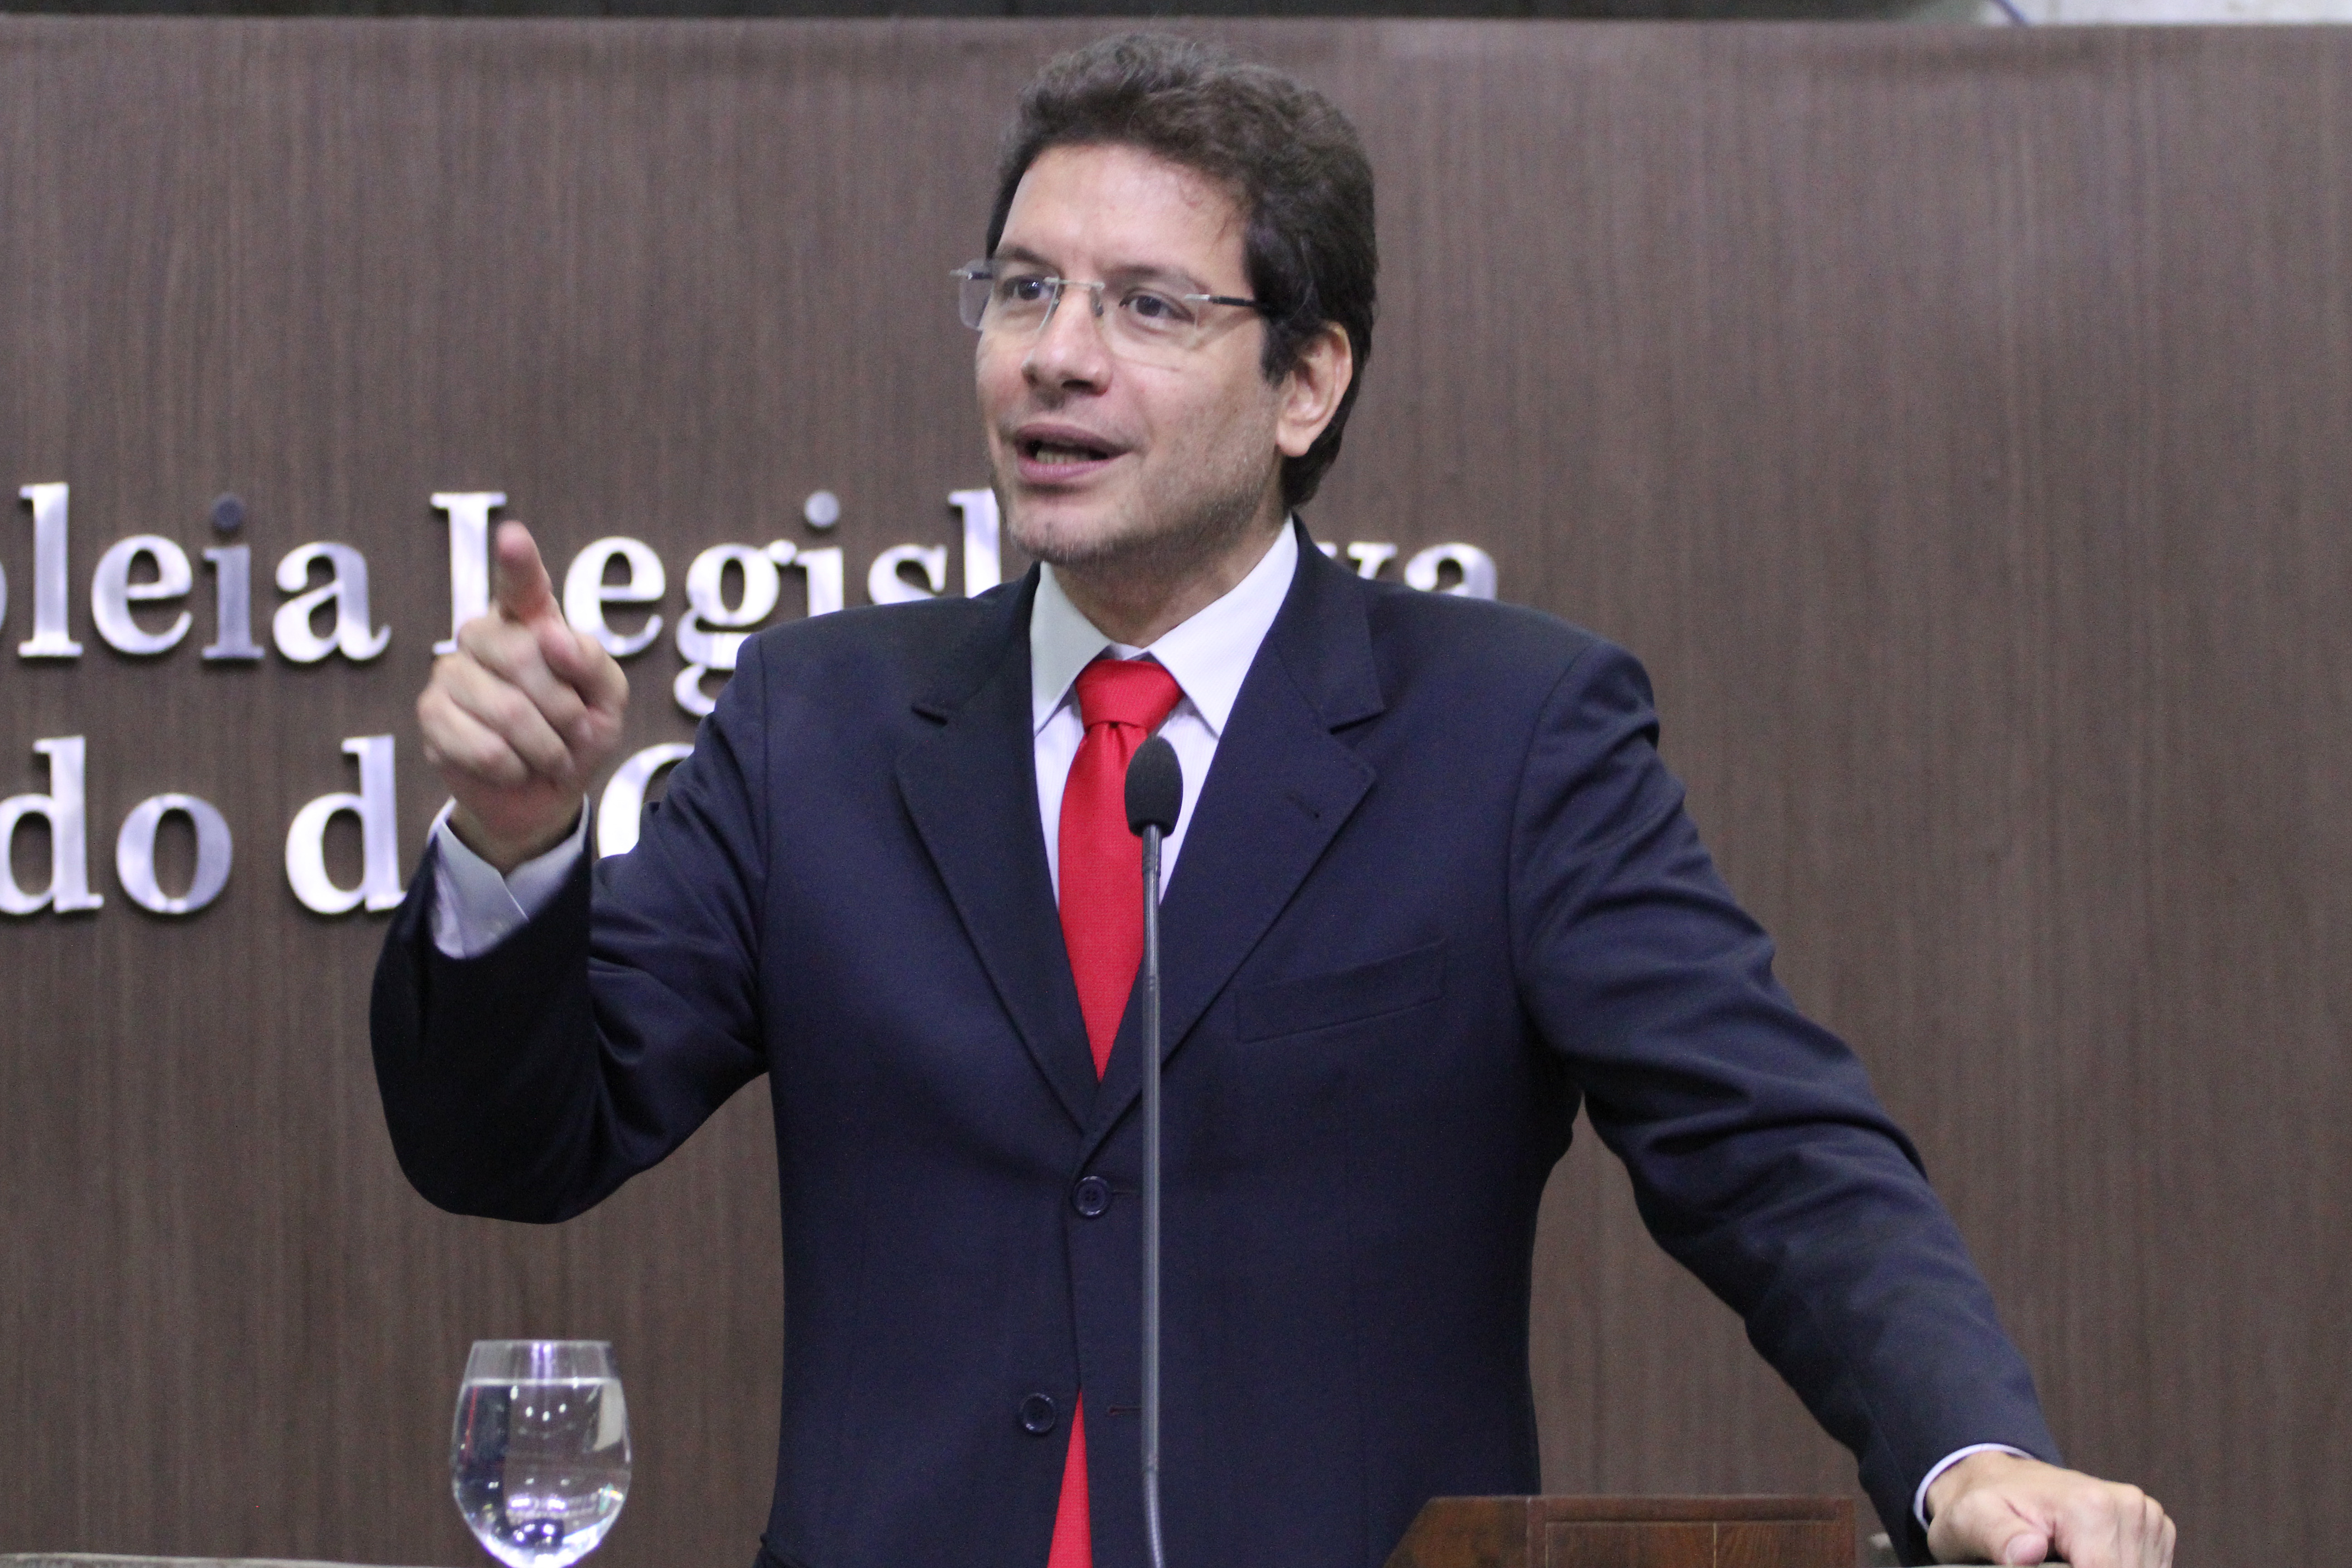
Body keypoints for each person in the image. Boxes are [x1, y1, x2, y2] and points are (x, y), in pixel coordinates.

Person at [373, 33, 2174, 1568]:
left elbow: (1770, 1147)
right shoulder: (817, 724)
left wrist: (1969, 1453)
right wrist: (517, 848)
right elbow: (510, 1152)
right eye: (1024, 290)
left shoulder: (1510, 737)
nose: (1057, 355)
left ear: (1308, 380)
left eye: (1148, 307)